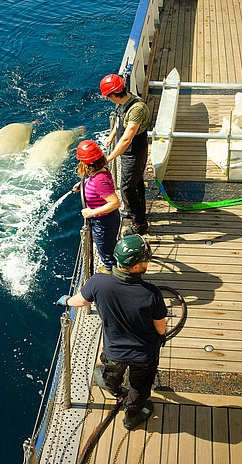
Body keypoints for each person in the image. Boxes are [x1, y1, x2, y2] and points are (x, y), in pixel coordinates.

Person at [56, 235, 167, 430]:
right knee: (139, 387)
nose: (147, 262)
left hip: (114, 352)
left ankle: (113, 387)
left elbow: (80, 300)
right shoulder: (151, 293)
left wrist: (65, 300)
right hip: (144, 355)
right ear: (135, 267)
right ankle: (131, 418)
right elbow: (160, 326)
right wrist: (161, 337)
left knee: (111, 372)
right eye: (145, 260)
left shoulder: (98, 283)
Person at [100, 74, 152, 236]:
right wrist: (111, 136)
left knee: (127, 188)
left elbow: (127, 138)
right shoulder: (123, 102)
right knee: (135, 182)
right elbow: (119, 120)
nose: (108, 99)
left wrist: (108, 158)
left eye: (108, 96)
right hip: (127, 152)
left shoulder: (136, 109)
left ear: (114, 96)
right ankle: (133, 210)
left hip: (134, 152)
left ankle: (140, 223)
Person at [75, 140, 121, 272]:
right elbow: (96, 184)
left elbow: (115, 203)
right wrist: (83, 185)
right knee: (109, 244)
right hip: (108, 219)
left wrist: (91, 213)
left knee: (105, 249)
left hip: (103, 222)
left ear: (86, 164)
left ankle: (110, 271)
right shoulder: (100, 171)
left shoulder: (99, 180)